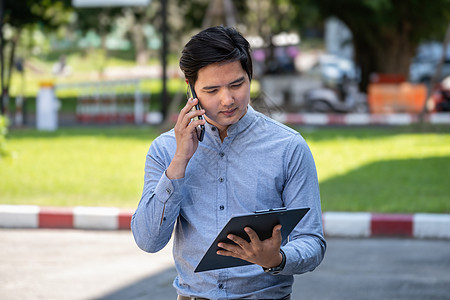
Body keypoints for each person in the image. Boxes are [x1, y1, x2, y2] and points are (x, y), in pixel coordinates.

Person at [131, 26, 326, 300]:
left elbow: (312, 242)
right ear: (190, 87)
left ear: (250, 76)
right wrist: (179, 161)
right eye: (211, 89)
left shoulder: (288, 147)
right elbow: (148, 241)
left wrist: (277, 258)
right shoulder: (165, 149)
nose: (228, 100)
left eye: (237, 84)